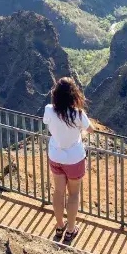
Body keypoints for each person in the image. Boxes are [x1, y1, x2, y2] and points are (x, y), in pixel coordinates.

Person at [43, 76, 90, 243]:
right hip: (75, 159)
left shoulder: (49, 109)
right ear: (73, 95)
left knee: (58, 191)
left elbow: (47, 123)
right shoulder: (78, 114)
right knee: (74, 193)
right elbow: (90, 129)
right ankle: (70, 230)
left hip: (55, 156)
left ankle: (59, 225)